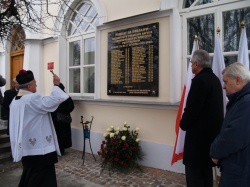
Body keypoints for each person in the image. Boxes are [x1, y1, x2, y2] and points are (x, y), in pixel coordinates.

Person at [9, 69, 69, 187]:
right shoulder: (32, 99)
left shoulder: (16, 100)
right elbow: (51, 102)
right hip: (40, 149)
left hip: (27, 147)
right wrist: (56, 85)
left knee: (30, 173)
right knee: (40, 179)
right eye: (35, 83)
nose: (36, 85)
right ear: (30, 86)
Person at [180, 49, 224, 187]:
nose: (191, 65)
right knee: (206, 175)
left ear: (197, 64)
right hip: (210, 139)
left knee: (195, 178)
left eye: (192, 63)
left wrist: (183, 123)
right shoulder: (215, 79)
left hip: (197, 142)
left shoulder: (200, 81)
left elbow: (192, 109)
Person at [210, 62, 250, 187]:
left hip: (240, 171)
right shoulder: (241, 99)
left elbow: (234, 137)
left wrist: (215, 152)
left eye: (226, 81)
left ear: (238, 80)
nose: (223, 86)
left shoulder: (246, 102)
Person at [51, 83, 74, 155]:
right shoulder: (53, 96)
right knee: (57, 134)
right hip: (55, 119)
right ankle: (57, 148)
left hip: (62, 119)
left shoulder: (66, 97)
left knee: (62, 135)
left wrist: (59, 109)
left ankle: (61, 148)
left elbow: (71, 106)